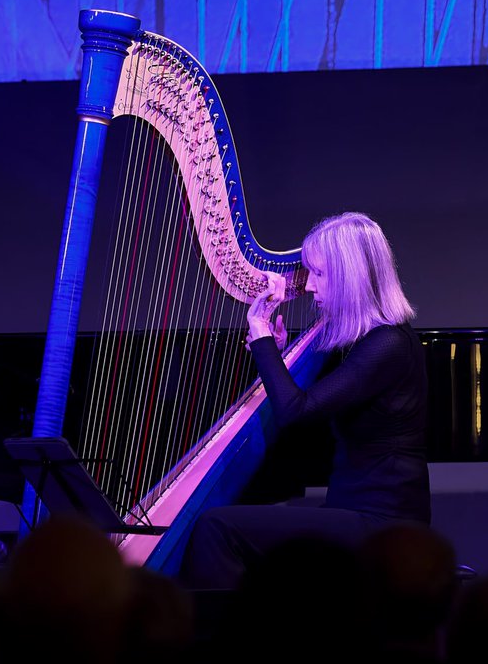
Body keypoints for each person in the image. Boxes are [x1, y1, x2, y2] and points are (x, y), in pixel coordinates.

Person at [180, 212, 429, 590]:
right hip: (353, 510)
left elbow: (295, 411)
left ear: (350, 277)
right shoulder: (367, 340)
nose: (309, 285)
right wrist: (276, 354)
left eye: (320, 273)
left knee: (218, 527)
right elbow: (302, 398)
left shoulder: (388, 345)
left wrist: (261, 335)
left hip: (383, 523)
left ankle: (221, 629)